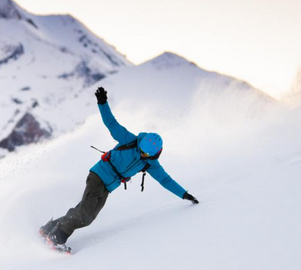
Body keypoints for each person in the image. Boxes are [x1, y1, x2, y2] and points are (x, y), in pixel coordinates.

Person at [39, 86, 199, 253]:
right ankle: (56, 237)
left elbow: (165, 180)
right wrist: (102, 102)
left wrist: (184, 194)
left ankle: (47, 230)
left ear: (155, 154)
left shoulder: (150, 164)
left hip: (108, 186)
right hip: (98, 176)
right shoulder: (129, 140)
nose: (142, 154)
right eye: (141, 150)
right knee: (85, 215)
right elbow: (111, 123)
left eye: (146, 154)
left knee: (87, 216)